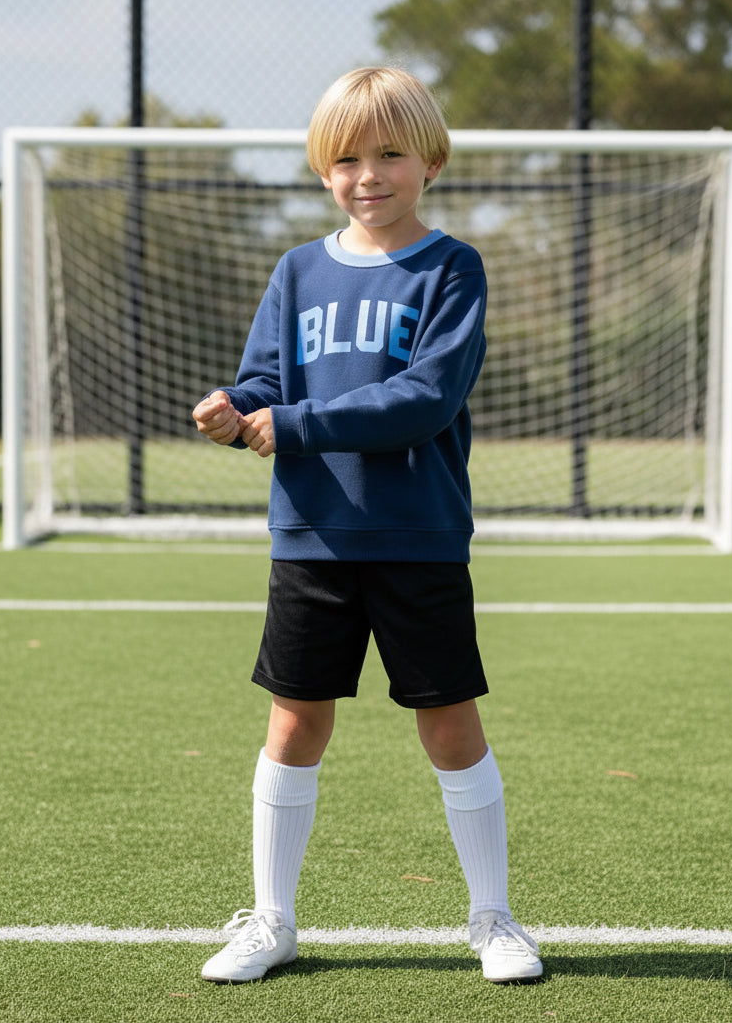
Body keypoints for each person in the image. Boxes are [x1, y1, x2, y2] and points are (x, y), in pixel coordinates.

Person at [192, 66, 542, 985]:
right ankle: (271, 920)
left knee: (449, 725)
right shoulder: (298, 270)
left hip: (418, 537)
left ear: (430, 159)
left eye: (390, 153)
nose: (368, 174)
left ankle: (493, 918)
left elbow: (423, 399)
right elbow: (268, 385)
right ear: (322, 170)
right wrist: (235, 409)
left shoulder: (451, 268)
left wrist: (291, 423)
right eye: (345, 158)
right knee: (294, 723)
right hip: (311, 539)